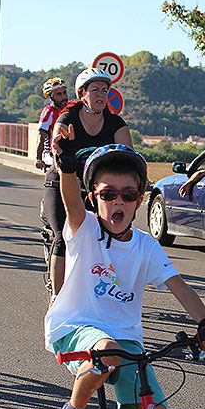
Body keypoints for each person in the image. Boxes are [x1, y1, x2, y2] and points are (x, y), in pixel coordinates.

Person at [45, 143, 205, 409]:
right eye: (108, 194)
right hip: (74, 325)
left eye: (128, 195)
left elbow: (179, 286)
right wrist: (67, 169)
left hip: (125, 336)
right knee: (110, 351)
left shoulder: (146, 245)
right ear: (93, 198)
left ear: (139, 200)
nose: (118, 201)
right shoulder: (84, 228)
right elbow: (70, 200)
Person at [42, 68, 132, 298]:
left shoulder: (115, 124)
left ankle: (106, 292)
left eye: (105, 90)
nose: (101, 94)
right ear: (83, 94)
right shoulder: (68, 118)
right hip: (63, 180)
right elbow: (57, 148)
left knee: (106, 237)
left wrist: (136, 180)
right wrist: (62, 153)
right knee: (64, 236)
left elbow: (127, 157)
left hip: (96, 188)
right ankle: (58, 296)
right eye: (95, 90)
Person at [36, 77, 69, 170]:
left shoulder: (70, 108)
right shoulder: (48, 112)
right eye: (59, 94)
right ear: (51, 97)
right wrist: (38, 159)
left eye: (64, 92)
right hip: (51, 152)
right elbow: (41, 137)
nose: (63, 97)